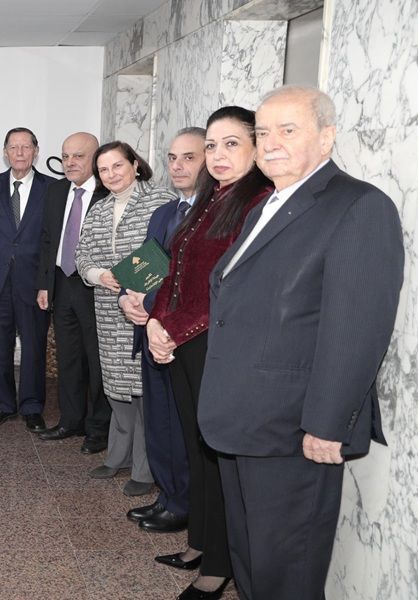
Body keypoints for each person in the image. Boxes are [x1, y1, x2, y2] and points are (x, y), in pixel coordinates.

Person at [196, 86, 403, 600]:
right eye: (264, 132)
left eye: (288, 131)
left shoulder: (358, 206)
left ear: (326, 137)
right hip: (241, 419)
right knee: (251, 558)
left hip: (293, 428)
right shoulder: (267, 204)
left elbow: (357, 327)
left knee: (286, 569)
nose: (270, 143)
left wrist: (327, 424)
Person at [147, 106, 274, 600]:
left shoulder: (257, 202)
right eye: (213, 146)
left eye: (231, 144)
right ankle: (200, 542)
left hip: (216, 345)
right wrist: (157, 321)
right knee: (197, 449)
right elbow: (175, 267)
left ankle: (218, 568)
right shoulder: (209, 197)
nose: (218, 155)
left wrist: (171, 329)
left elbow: (224, 286)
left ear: (257, 147)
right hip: (183, 342)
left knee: (218, 456)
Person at [74, 141, 174, 497]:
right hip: (107, 310)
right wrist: (99, 274)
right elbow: (82, 254)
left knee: (145, 393)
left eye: (117, 165)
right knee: (116, 389)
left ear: (135, 164)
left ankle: (145, 470)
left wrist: (139, 292)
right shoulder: (99, 208)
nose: (111, 174)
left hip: (145, 310)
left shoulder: (160, 200)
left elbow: (168, 254)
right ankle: (118, 456)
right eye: (103, 169)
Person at [122, 128, 205, 532]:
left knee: (181, 426)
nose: (178, 166)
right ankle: (168, 495)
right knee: (160, 424)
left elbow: (194, 284)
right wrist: (127, 297)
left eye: (189, 157)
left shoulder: (212, 214)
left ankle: (185, 503)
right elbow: (145, 266)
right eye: (172, 158)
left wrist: (152, 307)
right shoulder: (165, 213)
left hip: (183, 339)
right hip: (150, 333)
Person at [0, 127, 52, 432]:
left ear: (36, 151)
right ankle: (4, 405)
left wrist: (47, 283)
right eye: (13, 147)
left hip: (34, 282)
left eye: (26, 147)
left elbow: (51, 241)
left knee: (33, 347)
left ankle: (31, 406)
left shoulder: (52, 188)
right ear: (5, 152)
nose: (19, 152)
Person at [36, 132, 112, 453]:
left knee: (97, 360)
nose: (70, 162)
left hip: (95, 287)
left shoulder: (109, 193)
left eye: (78, 156)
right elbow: (47, 240)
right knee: (67, 357)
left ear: (95, 159)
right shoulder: (56, 191)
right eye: (66, 156)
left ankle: (99, 429)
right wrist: (44, 284)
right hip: (61, 282)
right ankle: (70, 420)